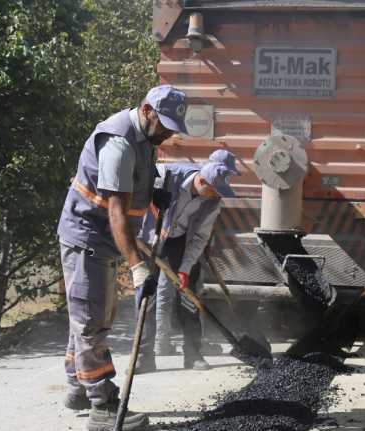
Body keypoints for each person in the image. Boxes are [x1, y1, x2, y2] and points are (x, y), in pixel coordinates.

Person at [56, 85, 187, 431]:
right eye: (165, 125)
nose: (169, 133)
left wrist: (153, 191)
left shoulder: (145, 140)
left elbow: (132, 189)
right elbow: (116, 212)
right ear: (147, 110)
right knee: (90, 320)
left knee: (85, 315)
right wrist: (137, 266)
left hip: (101, 239)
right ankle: (102, 404)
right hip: (88, 237)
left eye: (174, 127)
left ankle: (77, 389)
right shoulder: (119, 143)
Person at [135, 161, 237, 373]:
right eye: (213, 191)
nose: (215, 196)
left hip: (179, 242)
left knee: (188, 298)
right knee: (147, 297)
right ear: (201, 181)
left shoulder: (212, 202)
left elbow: (200, 237)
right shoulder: (165, 175)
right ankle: (144, 357)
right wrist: (151, 193)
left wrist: (185, 268)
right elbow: (131, 188)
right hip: (148, 238)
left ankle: (192, 354)